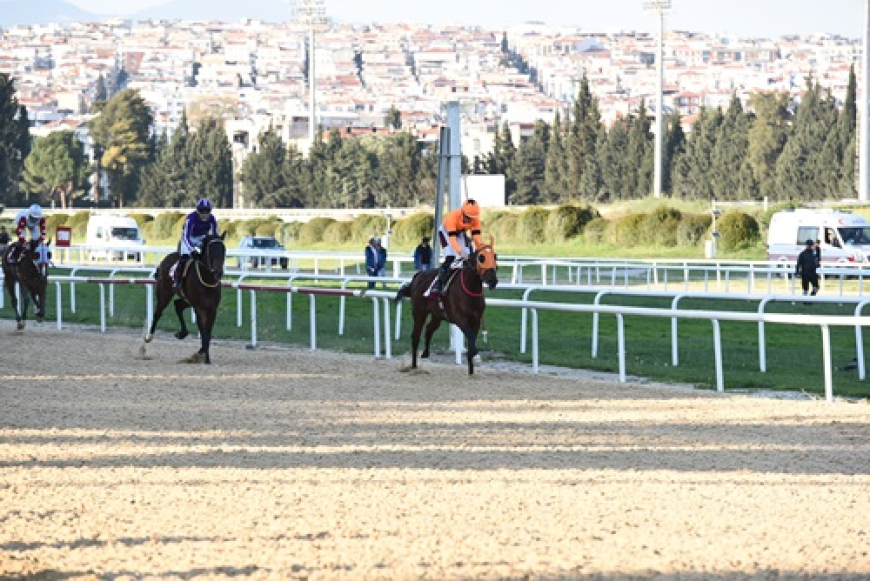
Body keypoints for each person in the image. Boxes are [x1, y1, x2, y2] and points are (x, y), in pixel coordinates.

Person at [426, 198, 483, 297]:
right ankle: (438, 283)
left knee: (468, 258)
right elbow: (452, 240)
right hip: (446, 232)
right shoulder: (452, 217)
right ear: (463, 212)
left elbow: (476, 237)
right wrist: (460, 252)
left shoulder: (475, 219)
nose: (470, 220)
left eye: (472, 217)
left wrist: (480, 249)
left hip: (460, 232)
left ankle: (464, 283)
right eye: (468, 217)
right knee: (450, 257)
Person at [175, 198, 218, 289]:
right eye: (202, 211)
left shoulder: (212, 219)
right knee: (185, 257)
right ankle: (177, 280)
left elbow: (215, 234)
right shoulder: (191, 218)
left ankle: (214, 275)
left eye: (207, 211)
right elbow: (186, 236)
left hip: (201, 238)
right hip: (189, 238)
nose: (204, 214)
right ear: (198, 211)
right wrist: (192, 250)